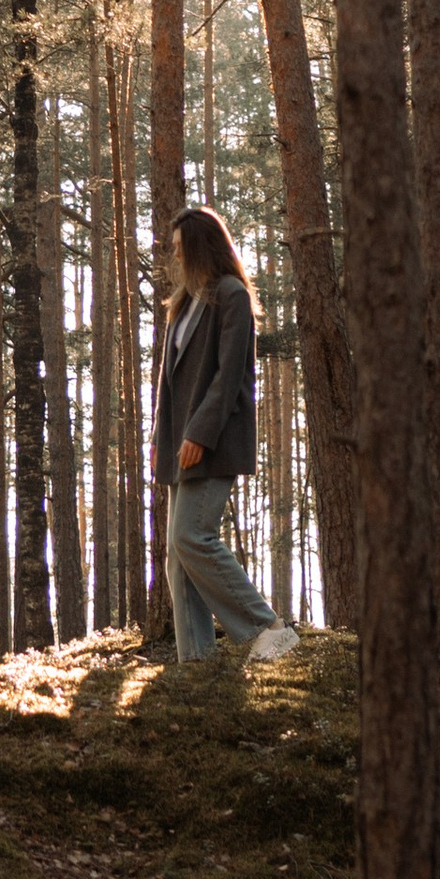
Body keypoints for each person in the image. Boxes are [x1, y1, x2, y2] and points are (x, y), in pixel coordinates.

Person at [153, 203, 298, 664]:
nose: (175, 258)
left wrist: (199, 433)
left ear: (199, 248)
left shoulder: (232, 294)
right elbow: (170, 381)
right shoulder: (185, 303)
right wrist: (164, 440)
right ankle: (195, 660)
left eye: (180, 249)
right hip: (180, 444)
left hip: (212, 441)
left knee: (193, 538)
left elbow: (230, 375)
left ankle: (268, 627)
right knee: (179, 558)